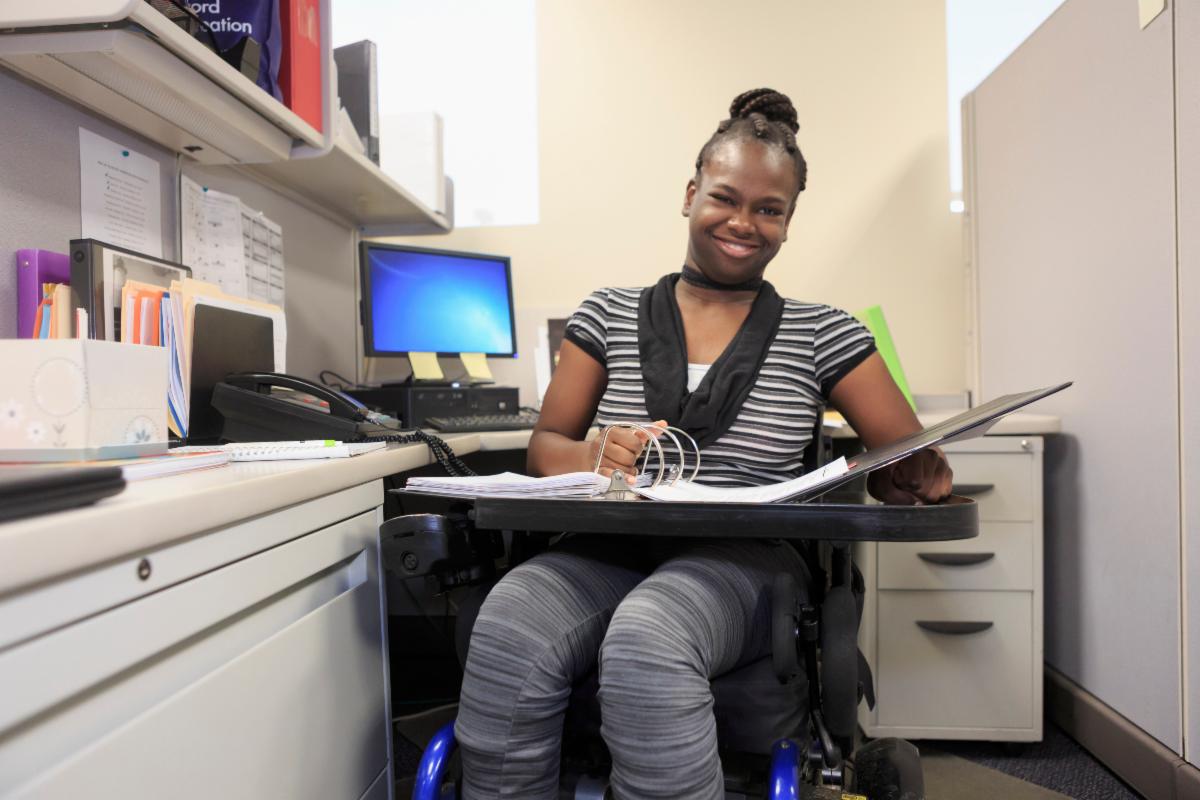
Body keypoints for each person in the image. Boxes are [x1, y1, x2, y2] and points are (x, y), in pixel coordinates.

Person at [454, 88, 953, 800]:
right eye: (724, 198)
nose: (743, 223)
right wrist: (595, 453)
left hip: (744, 563)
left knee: (649, 635)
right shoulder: (606, 313)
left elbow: (898, 464)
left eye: (769, 209)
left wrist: (915, 476)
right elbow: (546, 448)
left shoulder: (824, 331)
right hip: (607, 546)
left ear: (788, 222)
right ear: (691, 195)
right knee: (509, 623)